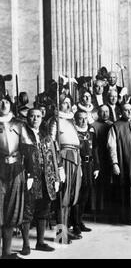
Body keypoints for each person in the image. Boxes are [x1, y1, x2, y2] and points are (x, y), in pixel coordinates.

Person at [20, 108, 62, 255]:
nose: (35, 119)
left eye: (38, 116)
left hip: (46, 178)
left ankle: (40, 242)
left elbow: (54, 158)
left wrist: (56, 178)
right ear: (27, 118)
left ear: (42, 118)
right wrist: (25, 177)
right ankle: (25, 244)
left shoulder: (46, 136)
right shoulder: (23, 135)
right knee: (27, 211)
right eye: (32, 116)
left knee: (44, 210)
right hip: (30, 178)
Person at [49, 94, 83, 243]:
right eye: (64, 103)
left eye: (69, 103)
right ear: (59, 105)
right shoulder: (55, 121)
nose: (67, 106)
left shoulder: (71, 121)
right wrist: (58, 166)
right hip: (63, 158)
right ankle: (60, 236)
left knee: (70, 198)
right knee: (62, 198)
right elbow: (51, 144)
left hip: (75, 158)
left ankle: (66, 232)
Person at [0, 94, 25, 259]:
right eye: (0, 101)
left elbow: (27, 148)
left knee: (11, 210)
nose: (3, 103)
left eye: (6, 101)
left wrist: (29, 173)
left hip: (16, 169)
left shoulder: (20, 124)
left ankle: (7, 252)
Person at [72, 111, 99, 235]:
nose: (83, 121)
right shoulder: (73, 132)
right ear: (76, 119)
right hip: (79, 165)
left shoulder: (91, 132)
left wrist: (96, 167)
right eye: (80, 119)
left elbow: (95, 150)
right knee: (77, 194)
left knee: (85, 195)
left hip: (90, 165)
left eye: (85, 119)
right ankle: (75, 224)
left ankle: (80, 221)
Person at [92, 105, 113, 213]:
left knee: (108, 182)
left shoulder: (112, 125)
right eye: (102, 112)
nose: (105, 114)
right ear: (98, 113)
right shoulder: (93, 126)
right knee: (97, 183)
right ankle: (96, 207)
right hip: (98, 156)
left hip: (108, 157)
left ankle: (107, 206)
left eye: (107, 111)